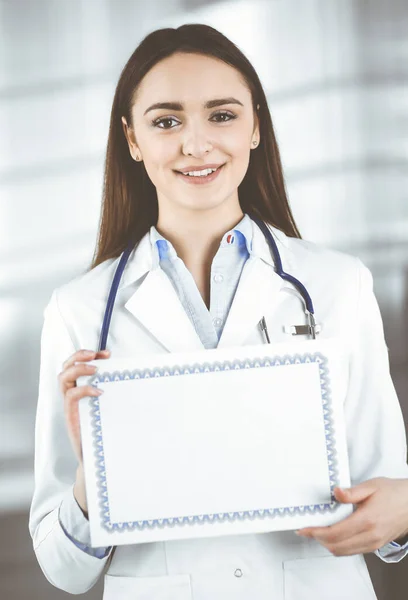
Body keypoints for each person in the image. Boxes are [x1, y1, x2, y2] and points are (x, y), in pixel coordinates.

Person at [29, 23, 408, 600]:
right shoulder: (78, 312)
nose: (197, 144)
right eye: (166, 121)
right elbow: (63, 570)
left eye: (222, 115)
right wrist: (93, 478)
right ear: (132, 140)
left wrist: (400, 511)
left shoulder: (338, 286)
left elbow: (388, 502)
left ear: (255, 125)